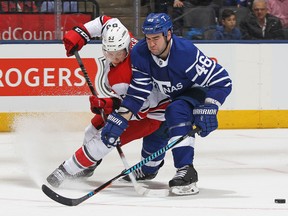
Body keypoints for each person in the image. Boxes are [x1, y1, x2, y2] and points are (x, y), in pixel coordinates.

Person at [100, 13, 232, 195]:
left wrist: (210, 106)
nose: (151, 44)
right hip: (167, 97)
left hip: (193, 92)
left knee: (176, 111)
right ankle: (148, 169)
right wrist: (119, 119)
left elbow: (222, 80)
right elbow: (137, 94)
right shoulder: (140, 52)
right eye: (148, 38)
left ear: (168, 34)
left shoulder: (185, 53)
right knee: (158, 131)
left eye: (156, 38)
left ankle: (186, 171)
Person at [46, 15, 170, 188]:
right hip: (136, 103)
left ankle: (66, 169)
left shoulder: (124, 76)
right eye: (109, 53)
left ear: (126, 47)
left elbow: (137, 110)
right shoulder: (121, 36)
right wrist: (81, 33)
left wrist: (109, 104)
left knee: (105, 138)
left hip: (152, 114)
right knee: (91, 129)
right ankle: (88, 165)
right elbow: (104, 21)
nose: (114, 57)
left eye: (118, 53)